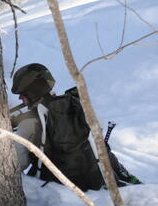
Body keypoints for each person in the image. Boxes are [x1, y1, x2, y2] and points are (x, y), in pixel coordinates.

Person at [10, 63, 141, 189]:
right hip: (95, 181)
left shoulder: (28, 123)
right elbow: (99, 133)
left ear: (33, 91)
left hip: (57, 189)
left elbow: (18, 164)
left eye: (23, 93)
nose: (20, 98)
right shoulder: (76, 104)